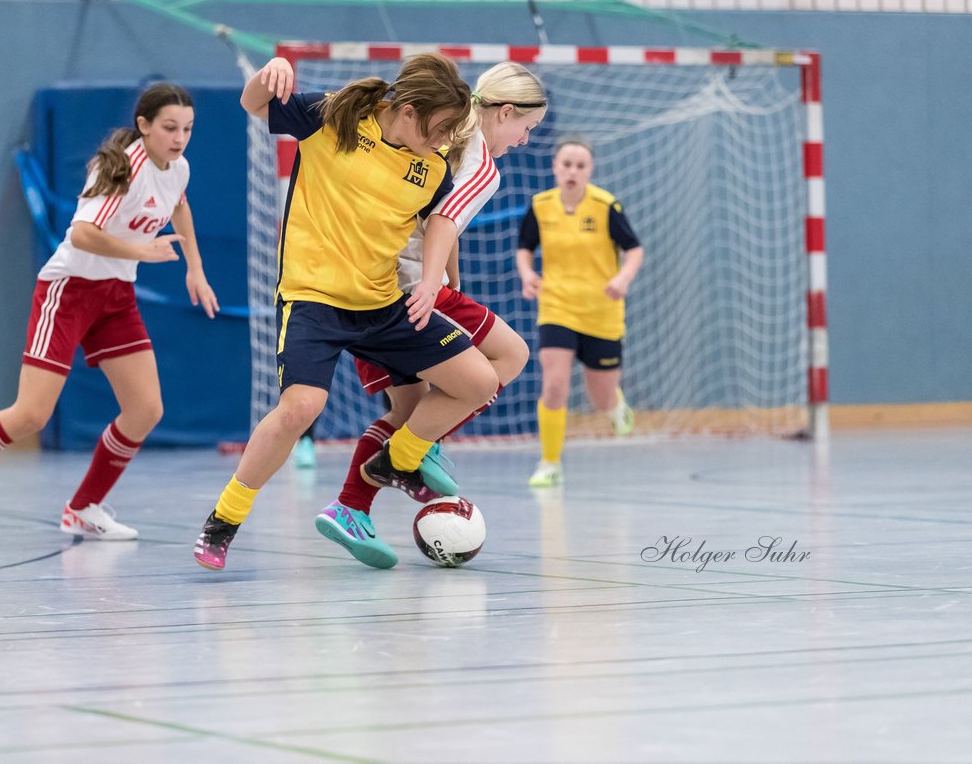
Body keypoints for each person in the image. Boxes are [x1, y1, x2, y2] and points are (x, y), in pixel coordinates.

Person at [193, 52, 501, 570]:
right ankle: (223, 520)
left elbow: (442, 223)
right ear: (407, 109)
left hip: (382, 304)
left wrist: (432, 281)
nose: (448, 140)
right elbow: (253, 106)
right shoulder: (332, 117)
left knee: (479, 382)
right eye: (443, 127)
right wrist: (268, 72)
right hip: (314, 299)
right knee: (300, 409)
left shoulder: (430, 168)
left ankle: (396, 461)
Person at [0, 83, 219, 547]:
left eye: (186, 128)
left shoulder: (177, 168)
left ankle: (83, 508)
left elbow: (178, 203)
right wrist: (140, 252)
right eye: (169, 128)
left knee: (145, 410)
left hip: (115, 296)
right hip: (69, 290)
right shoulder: (118, 166)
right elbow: (82, 233)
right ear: (143, 126)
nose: (179, 137)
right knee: (30, 415)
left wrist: (196, 269)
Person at [316, 62, 547, 568]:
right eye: (526, 128)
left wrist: (452, 274)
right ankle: (406, 457)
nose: (525, 141)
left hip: (359, 282)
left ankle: (352, 505)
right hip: (409, 286)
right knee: (509, 356)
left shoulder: (437, 130)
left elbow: (438, 215)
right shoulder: (482, 161)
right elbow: (443, 219)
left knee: (408, 412)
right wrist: (433, 283)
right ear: (504, 112)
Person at [517, 137, 644, 488]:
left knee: (600, 397)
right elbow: (525, 248)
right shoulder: (541, 207)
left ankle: (617, 407)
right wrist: (528, 275)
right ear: (555, 167)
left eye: (580, 165)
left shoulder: (606, 206)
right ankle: (549, 462)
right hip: (557, 307)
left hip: (602, 311)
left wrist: (623, 277)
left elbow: (634, 250)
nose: (573, 171)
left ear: (589, 171)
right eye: (567, 164)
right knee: (554, 385)